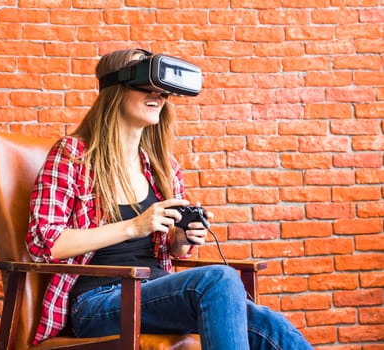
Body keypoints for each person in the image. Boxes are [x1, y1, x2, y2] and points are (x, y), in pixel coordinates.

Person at [26, 48, 313, 349]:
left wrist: (182, 239)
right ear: (114, 90)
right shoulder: (74, 155)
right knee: (220, 279)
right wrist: (133, 226)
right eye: (146, 86)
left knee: (270, 325)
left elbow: (172, 250)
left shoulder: (163, 167)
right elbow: (44, 242)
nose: (158, 96)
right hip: (99, 301)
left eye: (163, 91)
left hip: (158, 291)